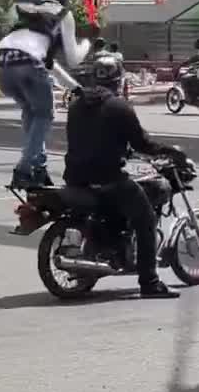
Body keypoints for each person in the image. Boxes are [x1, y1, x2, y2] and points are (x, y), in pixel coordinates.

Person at [64, 52, 180, 299]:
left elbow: (90, 138)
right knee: (146, 220)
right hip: (107, 179)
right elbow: (143, 144)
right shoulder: (119, 107)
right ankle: (150, 282)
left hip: (75, 177)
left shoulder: (76, 105)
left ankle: (112, 244)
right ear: (119, 80)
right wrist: (170, 150)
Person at [0, 0, 90, 188]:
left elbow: (47, 62)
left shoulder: (28, 13)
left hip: (4, 65)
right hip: (29, 65)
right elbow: (74, 59)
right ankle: (24, 170)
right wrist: (87, 43)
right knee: (45, 115)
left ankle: (40, 169)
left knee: (32, 112)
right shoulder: (63, 14)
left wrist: (74, 87)